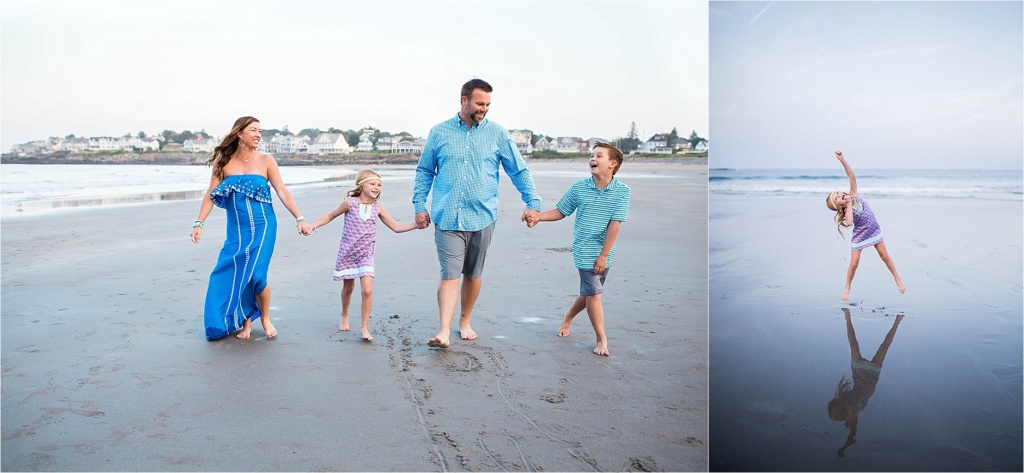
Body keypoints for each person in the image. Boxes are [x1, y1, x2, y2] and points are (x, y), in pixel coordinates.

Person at [413, 78, 541, 349]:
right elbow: (424, 171)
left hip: (483, 217)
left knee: (473, 273)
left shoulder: (498, 134)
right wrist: (419, 205)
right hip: (447, 216)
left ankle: (465, 319)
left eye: (488, 104)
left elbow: (518, 170)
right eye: (480, 103)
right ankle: (444, 331)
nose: (484, 109)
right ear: (464, 100)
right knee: (450, 273)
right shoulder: (439, 132)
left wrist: (532, 202)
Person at [191, 116, 313, 340]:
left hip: (264, 225)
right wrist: (199, 223)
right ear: (239, 133)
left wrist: (300, 218)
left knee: (256, 274)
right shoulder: (223, 162)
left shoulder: (266, 160)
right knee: (234, 273)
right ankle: (246, 322)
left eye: (260, 131)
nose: (258, 135)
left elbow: (282, 191)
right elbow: (210, 193)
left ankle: (264, 318)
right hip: (237, 230)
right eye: (253, 130)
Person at [524, 142, 631, 356]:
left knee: (590, 292)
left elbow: (615, 225)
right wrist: (538, 217)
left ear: (613, 164)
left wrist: (604, 255)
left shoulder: (622, 191)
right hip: (584, 249)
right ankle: (601, 338)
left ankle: (568, 316)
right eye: (592, 155)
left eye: (599, 156)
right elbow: (561, 211)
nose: (593, 159)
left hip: (605, 251)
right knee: (594, 294)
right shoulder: (579, 187)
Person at [303, 170, 419, 341]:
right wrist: (312, 226)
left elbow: (396, 227)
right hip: (348, 253)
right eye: (373, 184)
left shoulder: (378, 208)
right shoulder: (350, 203)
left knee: (367, 290)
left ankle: (364, 327)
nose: (376, 187)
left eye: (379, 185)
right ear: (361, 185)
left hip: (366, 255)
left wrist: (416, 225)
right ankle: (345, 314)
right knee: (348, 289)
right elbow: (329, 216)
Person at [826, 151, 906, 301]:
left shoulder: (854, 194)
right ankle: (847, 286)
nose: (839, 195)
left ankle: (897, 279)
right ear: (838, 206)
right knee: (854, 264)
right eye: (836, 198)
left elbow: (851, 176)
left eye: (837, 193)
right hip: (860, 235)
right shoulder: (847, 209)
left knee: (884, 256)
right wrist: (848, 204)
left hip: (874, 229)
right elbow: (850, 222)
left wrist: (842, 160)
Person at [828, 308, 904, 457]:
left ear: (836, 408)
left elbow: (853, 429)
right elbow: (853, 429)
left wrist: (846, 444)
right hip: (871, 378)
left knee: (853, 344)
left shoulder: (849, 406)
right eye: (839, 420)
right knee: (884, 346)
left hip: (860, 374)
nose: (841, 419)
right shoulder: (852, 412)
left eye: (837, 417)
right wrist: (846, 444)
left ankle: (848, 317)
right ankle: (897, 321)